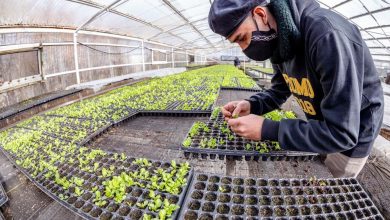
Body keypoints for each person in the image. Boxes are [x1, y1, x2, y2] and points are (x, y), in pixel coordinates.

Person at [209, 0, 384, 177]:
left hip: (351, 134)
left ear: (261, 14)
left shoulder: (326, 35)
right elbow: (280, 89)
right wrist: (252, 104)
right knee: (317, 167)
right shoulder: (279, 40)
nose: (244, 48)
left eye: (242, 38)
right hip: (319, 125)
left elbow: (342, 133)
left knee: (329, 182)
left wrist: (267, 129)